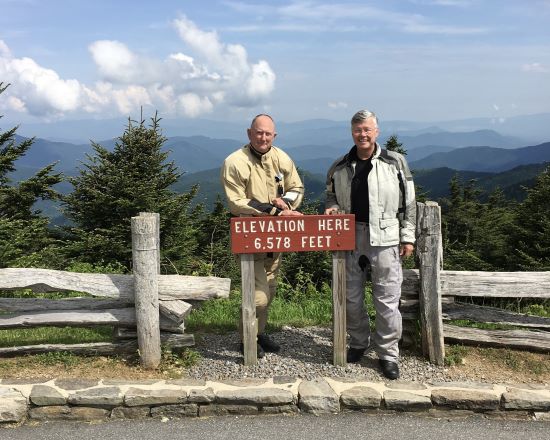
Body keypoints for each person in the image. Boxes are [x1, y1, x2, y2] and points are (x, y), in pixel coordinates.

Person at [324, 109, 416, 379]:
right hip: (350, 237)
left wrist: (407, 236)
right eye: (357, 130)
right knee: (351, 298)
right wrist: (331, 208)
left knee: (387, 300)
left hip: (386, 238)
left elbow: (408, 202)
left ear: (376, 131)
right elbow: (329, 196)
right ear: (351, 133)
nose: (362, 134)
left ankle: (388, 354)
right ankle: (359, 343)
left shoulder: (395, 162)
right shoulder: (339, 166)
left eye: (367, 129)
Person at [221, 114, 304, 358]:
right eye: (258, 133)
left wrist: (286, 202)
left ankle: (258, 333)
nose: (263, 137)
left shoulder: (281, 158)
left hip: (275, 240)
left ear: (274, 136)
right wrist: (275, 211)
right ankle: (246, 337)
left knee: (271, 289)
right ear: (249, 133)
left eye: (268, 134)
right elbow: (237, 202)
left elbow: (296, 187)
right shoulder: (235, 162)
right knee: (258, 297)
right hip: (249, 239)